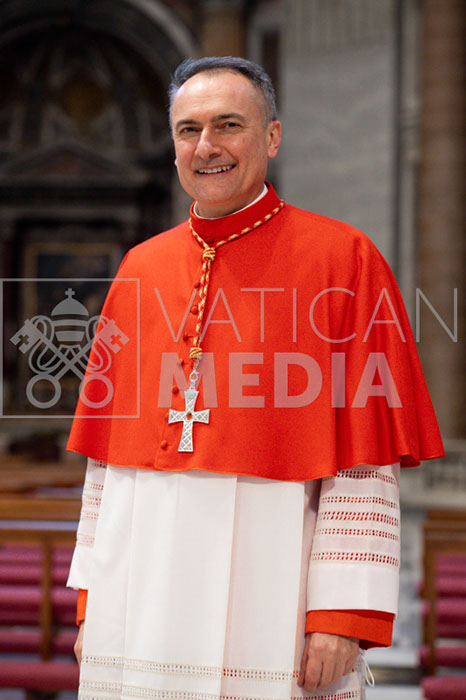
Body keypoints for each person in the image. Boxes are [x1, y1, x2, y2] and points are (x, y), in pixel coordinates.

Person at [67, 57, 444, 699]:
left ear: (272, 136)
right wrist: (90, 597)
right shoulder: (140, 267)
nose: (206, 147)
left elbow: (366, 460)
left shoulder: (343, 260)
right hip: (137, 595)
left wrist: (341, 615)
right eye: (188, 129)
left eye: (228, 125)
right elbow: (106, 461)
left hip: (273, 594)